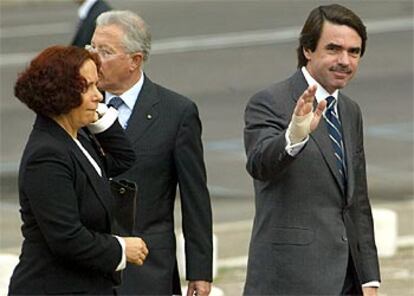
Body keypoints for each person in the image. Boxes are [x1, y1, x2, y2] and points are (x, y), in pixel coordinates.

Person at [243, 4, 381, 295]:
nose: (345, 60)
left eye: (354, 52)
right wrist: (294, 135)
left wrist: (369, 278)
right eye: (333, 49)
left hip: (347, 280)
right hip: (289, 280)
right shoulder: (270, 101)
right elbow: (259, 164)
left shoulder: (349, 110)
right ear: (308, 49)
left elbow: (357, 201)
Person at [90, 10, 213, 296]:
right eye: (92, 47)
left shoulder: (176, 113)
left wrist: (199, 271)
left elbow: (195, 199)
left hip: (147, 270)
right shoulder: (80, 107)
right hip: (89, 266)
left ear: (135, 60)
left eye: (105, 51)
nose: (94, 59)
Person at [8, 45, 148, 295]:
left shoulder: (77, 136)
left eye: (97, 84)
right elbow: (66, 237)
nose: (98, 95)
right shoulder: (47, 155)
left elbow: (123, 158)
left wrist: (96, 116)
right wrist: (120, 249)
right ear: (61, 93)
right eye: (87, 87)